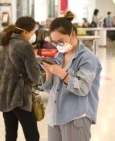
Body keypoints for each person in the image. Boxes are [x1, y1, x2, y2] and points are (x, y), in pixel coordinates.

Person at [40, 12, 102, 141]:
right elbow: (51, 90)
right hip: (55, 116)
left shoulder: (88, 59)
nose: (58, 46)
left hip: (75, 117)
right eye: (55, 42)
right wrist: (49, 73)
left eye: (61, 41)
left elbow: (83, 88)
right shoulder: (58, 56)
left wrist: (62, 73)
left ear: (72, 35)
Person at [0, 17, 40, 141]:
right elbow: (34, 76)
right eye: (33, 32)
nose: (33, 35)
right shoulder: (25, 46)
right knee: (32, 135)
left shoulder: (3, 45)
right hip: (20, 98)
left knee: (10, 135)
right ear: (25, 32)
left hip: (4, 96)